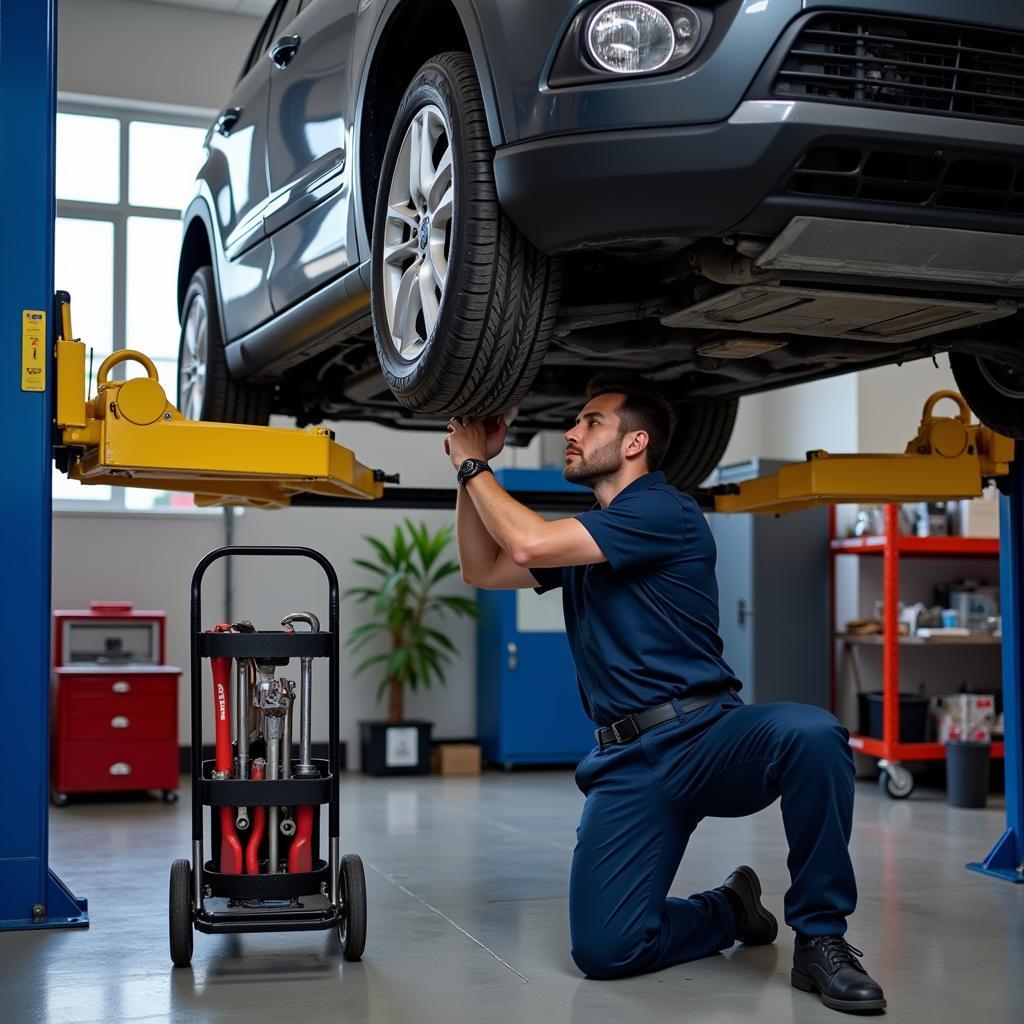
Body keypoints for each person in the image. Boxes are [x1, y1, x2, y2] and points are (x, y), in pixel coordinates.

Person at [443, 374, 886, 1015]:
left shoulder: (662, 509)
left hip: (707, 735)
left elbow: (526, 540)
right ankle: (731, 908)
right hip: (628, 762)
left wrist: (474, 461)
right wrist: (468, 477)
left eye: (590, 422)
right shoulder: (592, 537)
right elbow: (481, 567)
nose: (571, 431)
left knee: (811, 733)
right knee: (605, 951)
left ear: (635, 443)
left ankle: (821, 941)